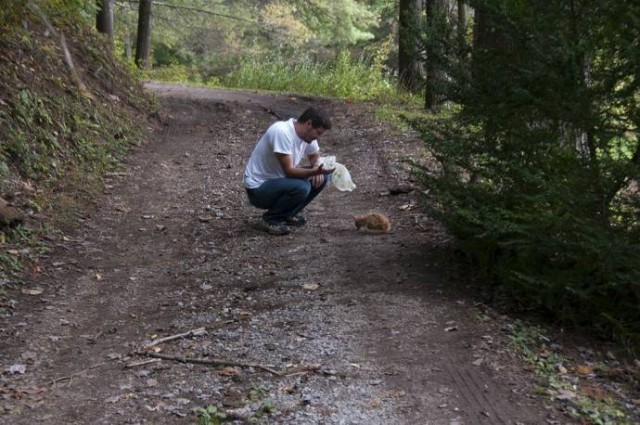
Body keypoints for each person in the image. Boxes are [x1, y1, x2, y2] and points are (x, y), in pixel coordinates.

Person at [243, 107, 335, 235]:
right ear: (309, 124)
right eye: (318, 133)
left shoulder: (307, 136)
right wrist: (316, 172)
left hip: (279, 182)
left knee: (323, 178)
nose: (318, 138)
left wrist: (319, 166)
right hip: (259, 189)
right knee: (302, 187)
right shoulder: (282, 131)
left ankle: (289, 213)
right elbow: (289, 171)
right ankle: (270, 219)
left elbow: (314, 156)